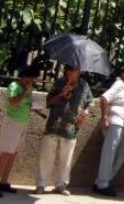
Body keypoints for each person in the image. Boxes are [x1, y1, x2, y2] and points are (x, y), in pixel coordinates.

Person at [35, 66, 92, 195]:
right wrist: (62, 93)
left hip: (71, 127)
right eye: (74, 70)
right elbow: (49, 102)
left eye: (78, 70)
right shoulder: (59, 83)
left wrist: (86, 112)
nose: (77, 72)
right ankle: (41, 184)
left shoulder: (84, 85)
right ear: (68, 71)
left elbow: (89, 102)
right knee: (46, 156)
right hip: (54, 125)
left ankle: (61, 185)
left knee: (66, 158)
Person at [94, 64, 124, 197]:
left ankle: (101, 181)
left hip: (121, 126)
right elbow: (104, 98)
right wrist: (105, 117)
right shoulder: (118, 85)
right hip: (115, 124)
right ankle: (102, 184)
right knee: (110, 154)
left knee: (121, 156)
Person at [0, 67, 39, 196]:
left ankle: (3, 182)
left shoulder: (29, 89)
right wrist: (25, 93)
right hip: (12, 123)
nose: (31, 80)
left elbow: (26, 104)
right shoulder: (14, 86)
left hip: (22, 123)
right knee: (6, 154)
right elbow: (13, 102)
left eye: (33, 78)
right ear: (23, 76)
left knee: (12, 154)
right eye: (29, 77)